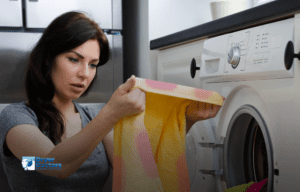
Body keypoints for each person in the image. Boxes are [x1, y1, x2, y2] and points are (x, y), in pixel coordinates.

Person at [0, 11, 225, 192]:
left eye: (93, 64)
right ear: (48, 59)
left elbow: (140, 167)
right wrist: (111, 113)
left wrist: (186, 121)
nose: (85, 74)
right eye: (74, 59)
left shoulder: (93, 120)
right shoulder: (16, 118)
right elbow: (52, 164)